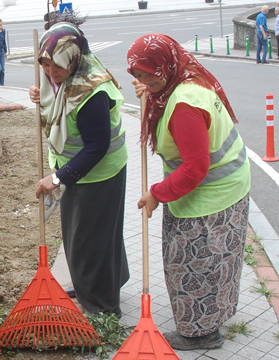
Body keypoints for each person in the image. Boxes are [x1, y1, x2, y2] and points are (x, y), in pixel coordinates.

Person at [127, 34, 251, 350]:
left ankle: (201, 334)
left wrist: (157, 192)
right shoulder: (182, 79)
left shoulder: (184, 106)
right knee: (212, 262)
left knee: (195, 262)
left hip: (214, 194)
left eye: (147, 73)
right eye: (137, 75)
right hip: (221, 186)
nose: (142, 80)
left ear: (165, 66)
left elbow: (195, 168)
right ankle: (211, 320)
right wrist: (150, 89)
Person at [29, 20, 129, 317]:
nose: (51, 73)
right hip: (77, 172)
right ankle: (96, 283)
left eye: (56, 66)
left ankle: (103, 305)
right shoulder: (67, 75)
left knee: (91, 240)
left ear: (73, 57)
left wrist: (58, 177)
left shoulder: (92, 92)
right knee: (86, 235)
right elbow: (58, 102)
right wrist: (41, 95)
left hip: (99, 175)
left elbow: (96, 147)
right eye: (45, 65)